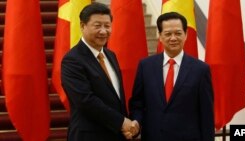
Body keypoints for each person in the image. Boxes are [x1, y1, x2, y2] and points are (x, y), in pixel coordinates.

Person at [129, 12, 215, 141]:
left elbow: (207, 115)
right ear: (160, 36)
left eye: (178, 33)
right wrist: (136, 121)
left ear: (186, 35)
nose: (173, 38)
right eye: (168, 34)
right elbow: (137, 103)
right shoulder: (145, 66)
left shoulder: (201, 70)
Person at [61, 3, 138, 141]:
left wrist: (127, 126)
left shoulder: (110, 55)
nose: (103, 31)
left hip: (115, 134)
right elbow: (86, 101)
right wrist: (122, 122)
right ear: (83, 26)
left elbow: (116, 98)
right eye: (97, 26)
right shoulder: (72, 60)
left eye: (107, 26)